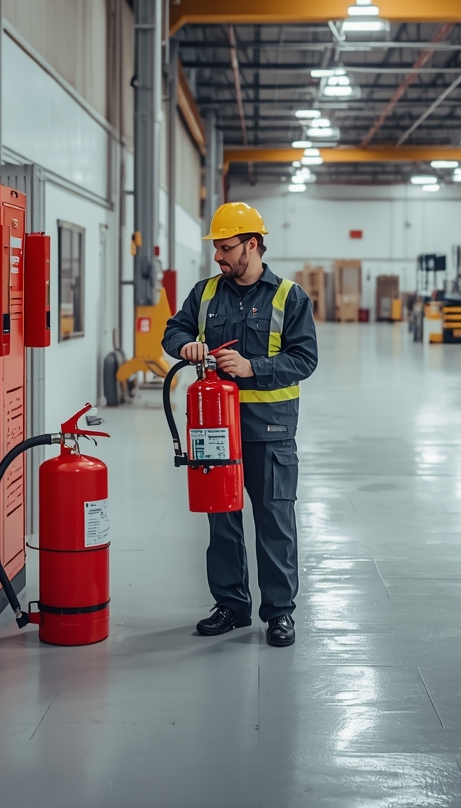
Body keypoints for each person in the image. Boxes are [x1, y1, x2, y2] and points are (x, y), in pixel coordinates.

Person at [163, 202, 318, 647]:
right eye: (216, 248)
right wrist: (187, 345)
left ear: (252, 245)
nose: (219, 257)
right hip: (215, 430)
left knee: (274, 522)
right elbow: (172, 331)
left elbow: (304, 359)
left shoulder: (289, 296)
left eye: (227, 248)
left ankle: (279, 614)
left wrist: (253, 368)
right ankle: (231, 606)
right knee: (222, 522)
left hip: (270, 431)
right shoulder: (206, 293)